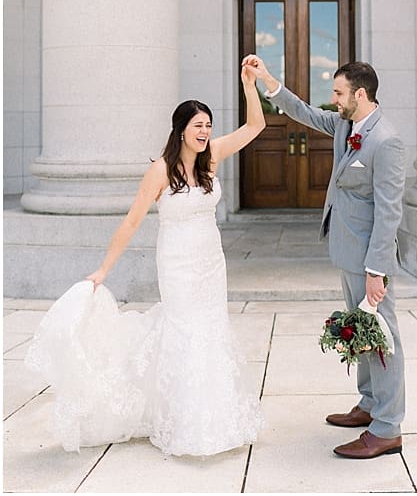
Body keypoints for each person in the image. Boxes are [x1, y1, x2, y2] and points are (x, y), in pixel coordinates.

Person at [24, 66, 267, 456]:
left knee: (210, 330)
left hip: (210, 262)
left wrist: (248, 85)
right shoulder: (160, 170)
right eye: (198, 125)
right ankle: (182, 421)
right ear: (181, 129)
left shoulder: (212, 157)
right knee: (184, 330)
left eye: (208, 125)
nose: (205, 132)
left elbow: (255, 125)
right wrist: (103, 270)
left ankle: (214, 419)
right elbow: (132, 220)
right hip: (177, 264)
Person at [243, 55, 407, 459]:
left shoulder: (387, 141)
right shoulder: (345, 124)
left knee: (383, 338)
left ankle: (388, 427)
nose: (332, 99)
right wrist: (266, 79)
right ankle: (369, 405)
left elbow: (389, 211)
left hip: (369, 259)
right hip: (347, 250)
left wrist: (376, 271)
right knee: (361, 330)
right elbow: (302, 112)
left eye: (338, 92)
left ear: (361, 94)